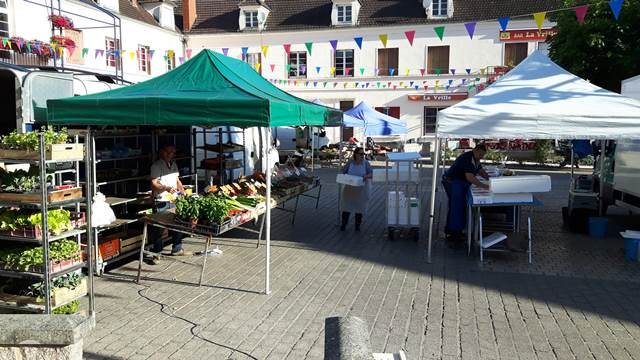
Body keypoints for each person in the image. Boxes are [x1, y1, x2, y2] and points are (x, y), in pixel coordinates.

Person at [147, 143, 190, 264]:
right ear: (162, 151)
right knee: (159, 228)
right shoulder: (156, 165)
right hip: (161, 200)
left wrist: (182, 190)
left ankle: (177, 248)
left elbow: (177, 180)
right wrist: (166, 187)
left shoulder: (174, 164)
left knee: (178, 225)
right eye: (168, 152)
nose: (170, 154)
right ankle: (157, 253)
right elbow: (154, 183)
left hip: (174, 200)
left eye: (172, 152)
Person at [441, 144, 490, 243]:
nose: (481, 157)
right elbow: (470, 177)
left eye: (483, 155)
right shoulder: (467, 158)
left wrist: (489, 179)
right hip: (453, 182)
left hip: (459, 182)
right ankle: (454, 233)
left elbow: (480, 170)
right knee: (457, 206)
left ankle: (454, 229)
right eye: (480, 154)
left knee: (460, 206)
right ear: (475, 150)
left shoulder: (475, 158)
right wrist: (484, 186)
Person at [340, 147, 373, 231]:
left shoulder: (365, 163)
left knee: (359, 207)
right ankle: (344, 223)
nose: (363, 156)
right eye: (361, 154)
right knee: (346, 206)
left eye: (363, 154)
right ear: (355, 154)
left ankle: (357, 225)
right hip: (349, 188)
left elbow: (371, 173)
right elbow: (343, 171)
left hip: (361, 189)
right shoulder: (350, 162)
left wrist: (367, 176)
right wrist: (345, 177)